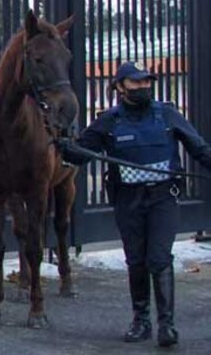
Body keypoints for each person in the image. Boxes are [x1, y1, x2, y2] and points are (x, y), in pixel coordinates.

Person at [59, 61, 211, 348]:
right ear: (120, 86)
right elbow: (81, 152)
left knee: (159, 258)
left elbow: (199, 149)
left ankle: (167, 325)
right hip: (128, 200)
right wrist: (65, 146)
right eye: (136, 82)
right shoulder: (109, 121)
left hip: (163, 198)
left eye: (146, 82)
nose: (143, 87)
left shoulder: (167, 114)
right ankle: (141, 322)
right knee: (136, 260)